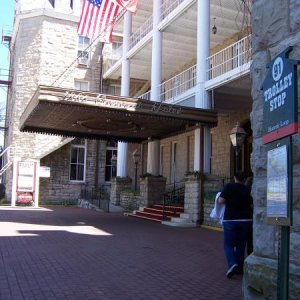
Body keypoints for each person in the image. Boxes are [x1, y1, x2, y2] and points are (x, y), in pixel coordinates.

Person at [218, 171, 253, 278]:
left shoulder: (229, 186)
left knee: (228, 244)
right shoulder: (248, 189)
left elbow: (221, 201)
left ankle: (232, 264)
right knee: (241, 245)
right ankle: (239, 269)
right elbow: (252, 204)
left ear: (234, 178)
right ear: (244, 179)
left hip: (230, 219)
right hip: (246, 220)